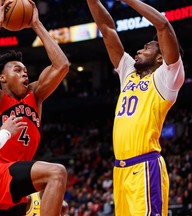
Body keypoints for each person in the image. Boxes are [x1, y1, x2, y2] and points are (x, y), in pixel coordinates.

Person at [86, 0, 185, 215]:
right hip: (120, 171)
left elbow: (163, 26)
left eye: (146, 48)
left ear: (160, 57)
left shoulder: (167, 78)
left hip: (145, 167)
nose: (139, 51)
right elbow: (107, 29)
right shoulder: (129, 73)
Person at [0, 0, 70, 215]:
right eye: (17, 70)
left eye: (25, 70)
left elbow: (62, 65)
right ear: (2, 78)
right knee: (57, 173)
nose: (24, 73)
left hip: (15, 184)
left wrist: (36, 24)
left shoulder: (35, 97)